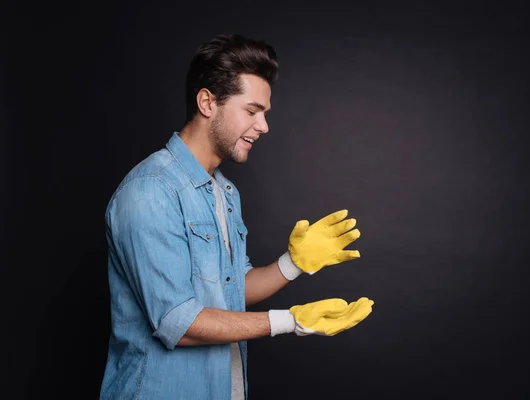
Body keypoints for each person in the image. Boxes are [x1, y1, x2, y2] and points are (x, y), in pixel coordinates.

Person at [99, 33, 374, 400]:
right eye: (252, 110)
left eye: (264, 113)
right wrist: (290, 321)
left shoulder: (224, 192)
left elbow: (229, 291)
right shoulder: (150, 192)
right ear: (207, 102)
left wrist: (293, 264)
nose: (264, 126)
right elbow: (178, 324)